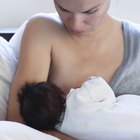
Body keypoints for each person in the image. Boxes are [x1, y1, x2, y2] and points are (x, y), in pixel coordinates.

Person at [7, 0, 140, 139]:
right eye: (63, 9)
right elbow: (18, 122)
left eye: (90, 11)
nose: (76, 25)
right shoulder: (43, 31)